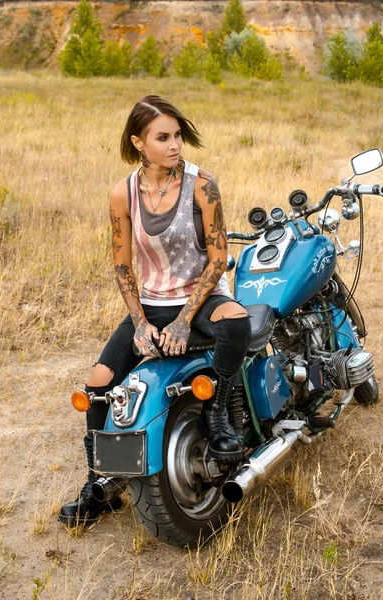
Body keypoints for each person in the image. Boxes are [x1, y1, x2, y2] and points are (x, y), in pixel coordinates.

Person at [59, 95, 251, 527]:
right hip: (151, 304)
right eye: (162, 137)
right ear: (138, 143)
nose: (175, 145)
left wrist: (184, 321)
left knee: (237, 322)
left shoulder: (204, 186)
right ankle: (98, 483)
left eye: (178, 135)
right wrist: (141, 323)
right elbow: (123, 264)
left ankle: (219, 413)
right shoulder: (122, 194)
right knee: (97, 386)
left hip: (201, 301)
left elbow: (219, 259)